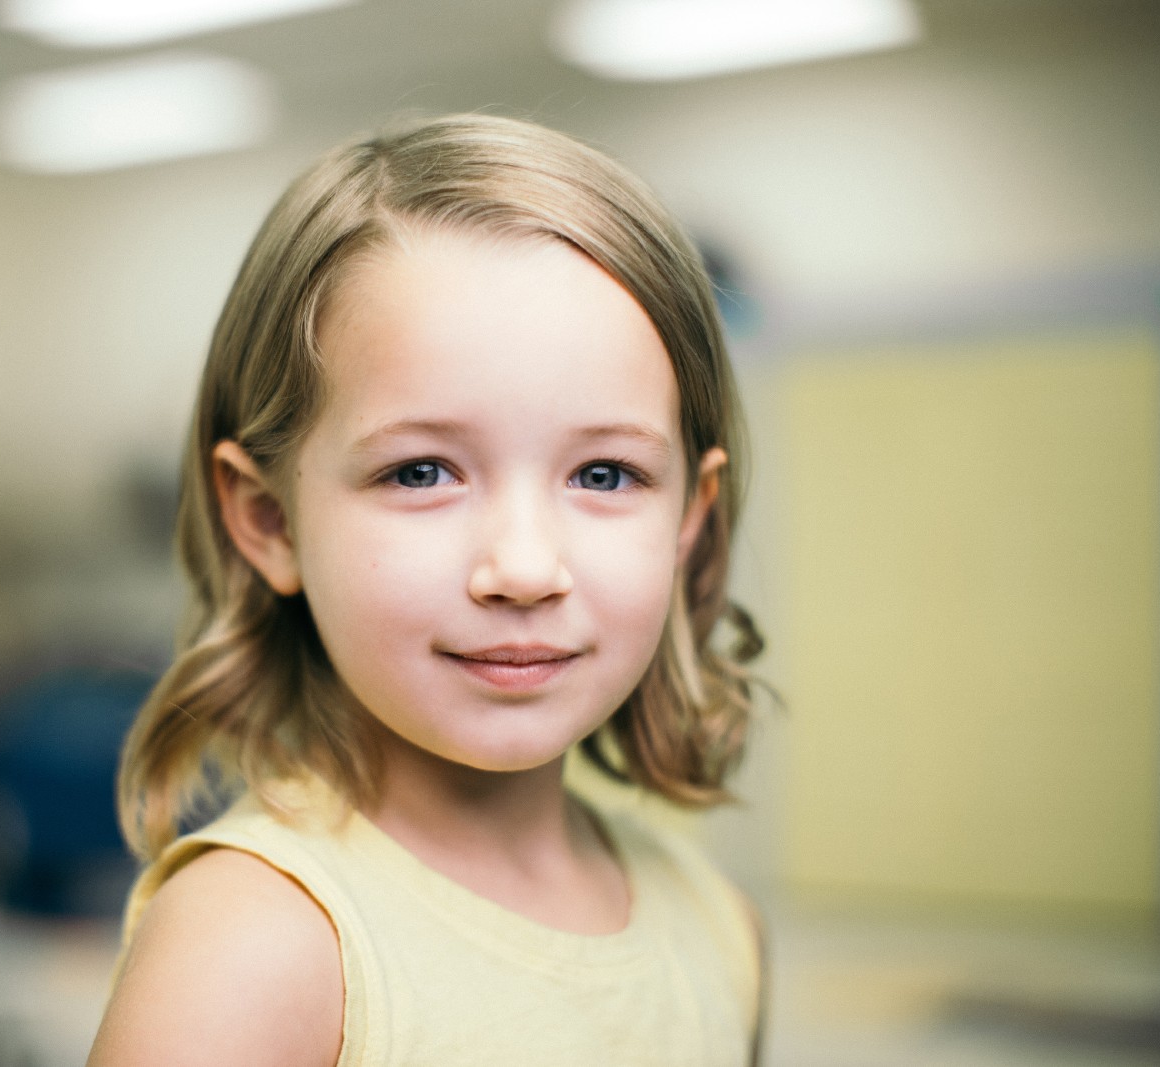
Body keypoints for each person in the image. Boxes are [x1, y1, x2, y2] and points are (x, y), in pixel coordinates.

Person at [87, 113, 767, 1067]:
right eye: (420, 473)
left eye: (606, 474)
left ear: (688, 519)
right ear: (269, 519)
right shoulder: (255, 949)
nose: (525, 569)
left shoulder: (721, 929)